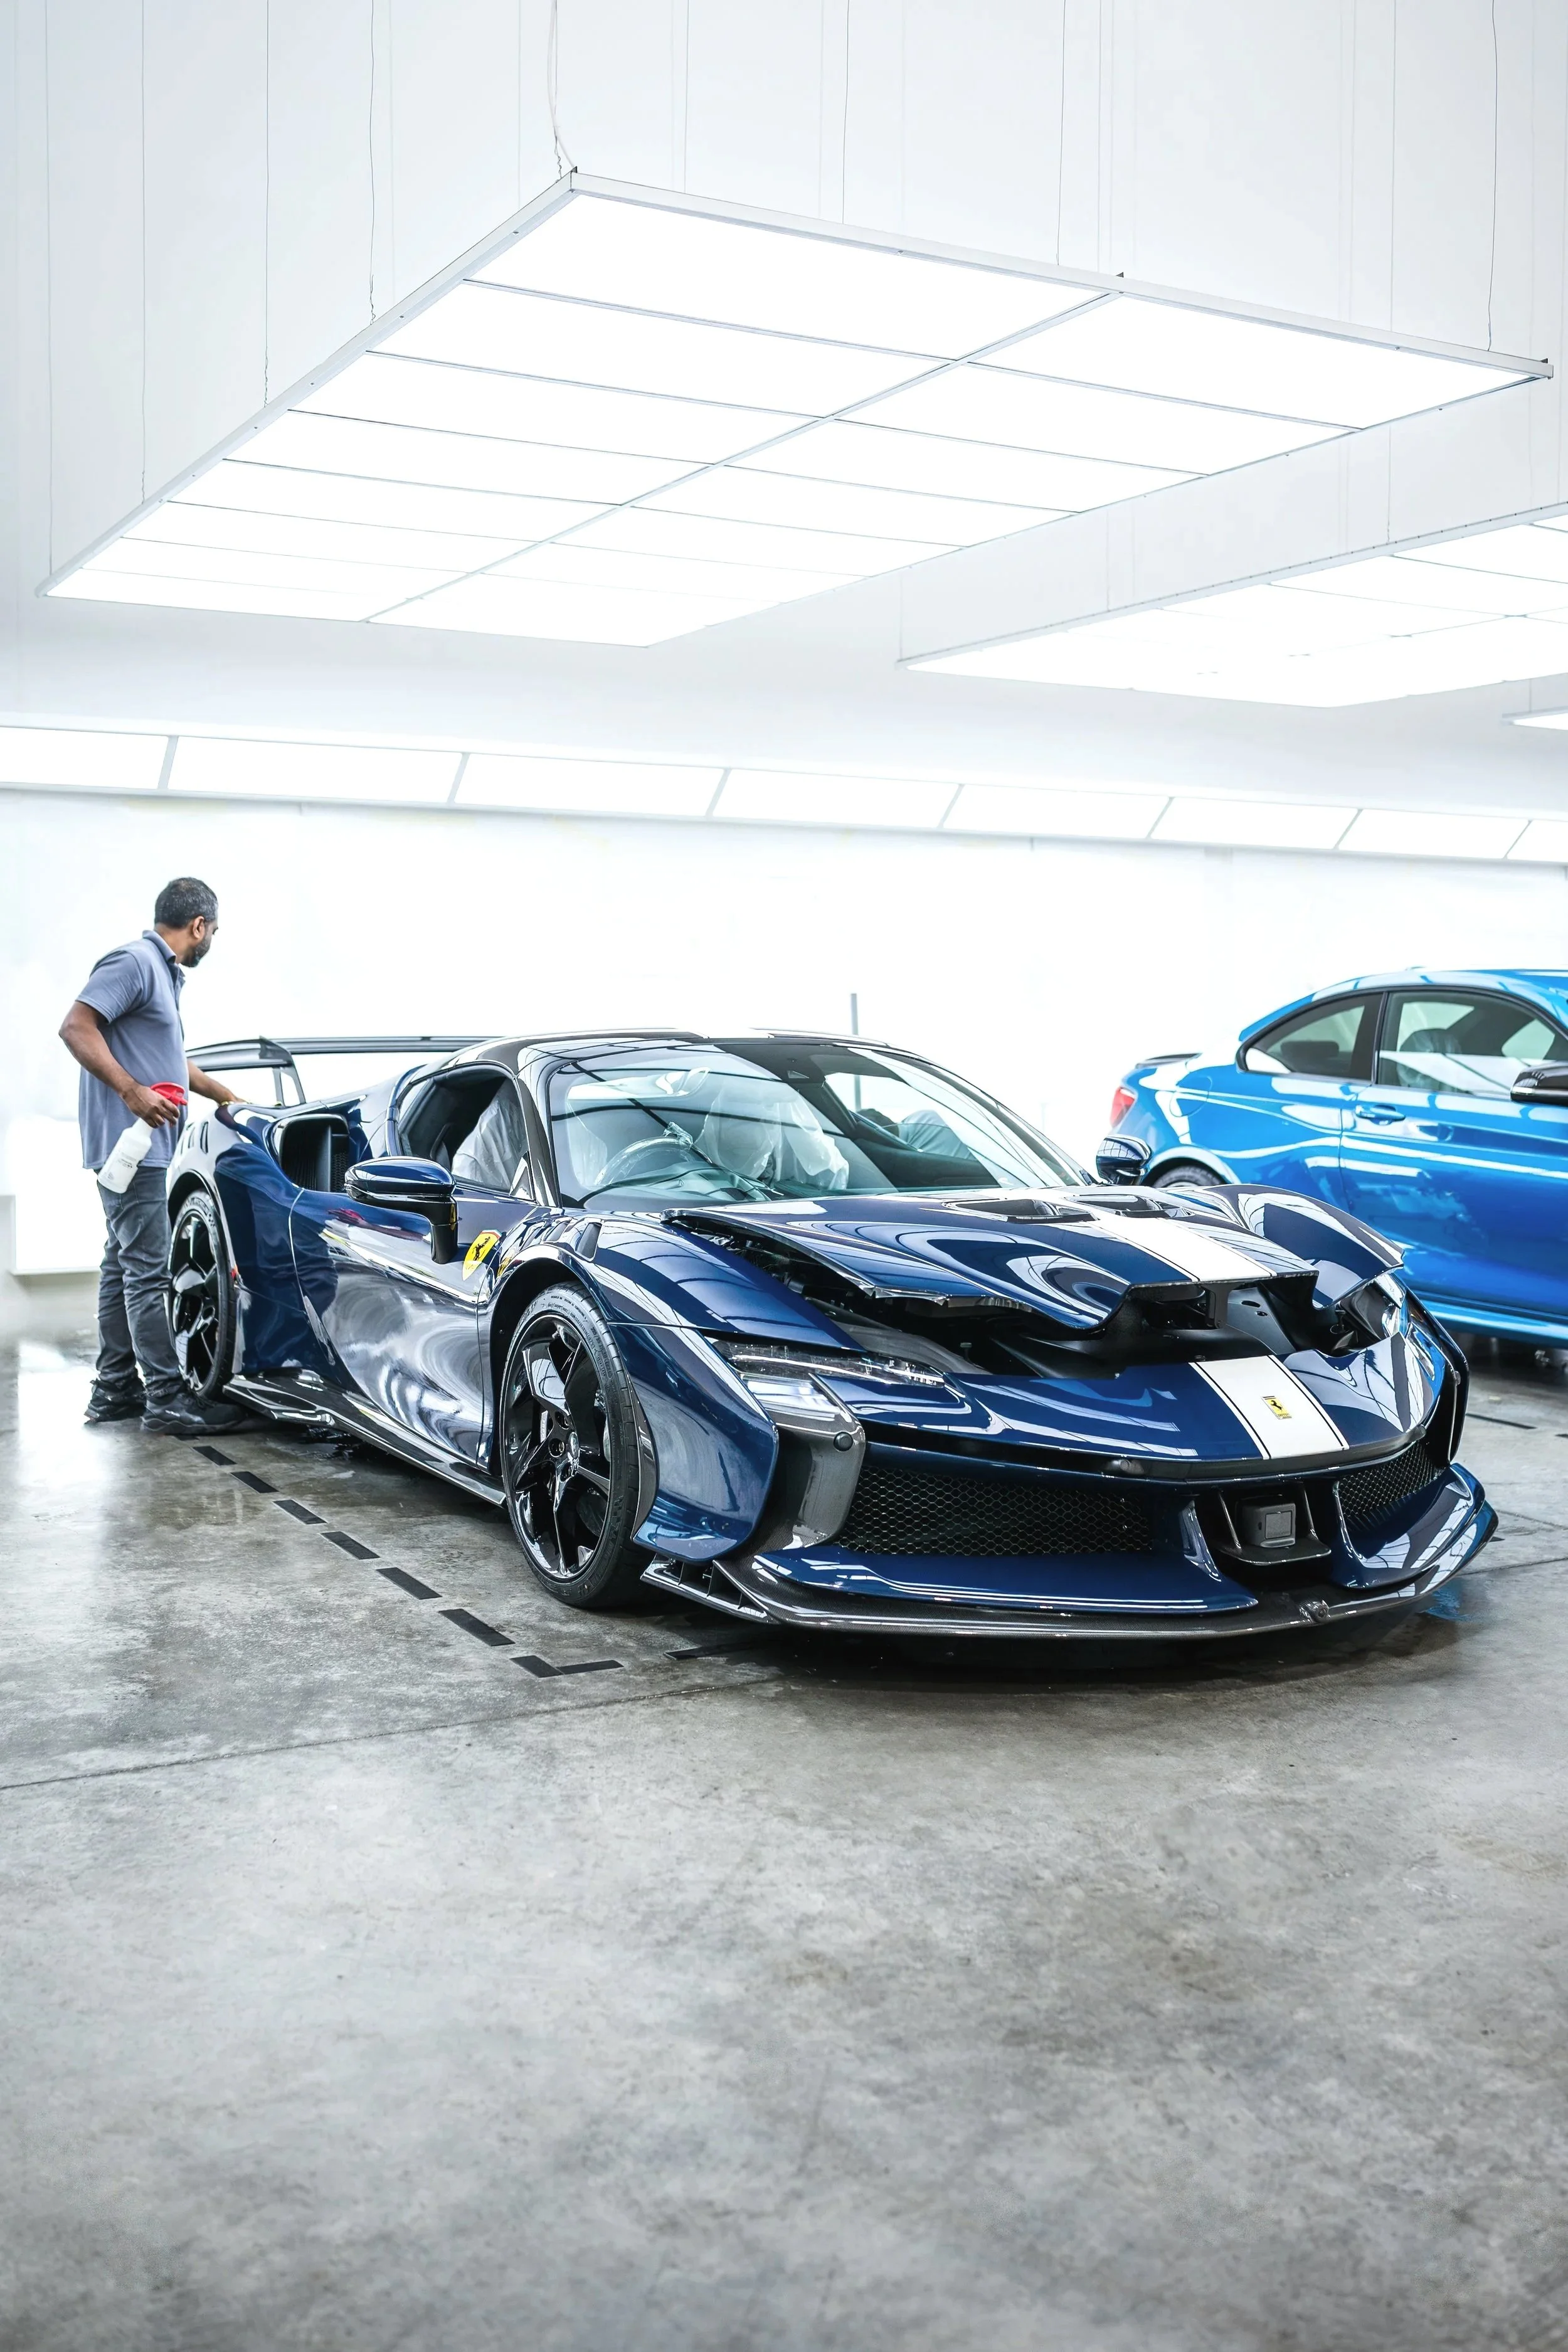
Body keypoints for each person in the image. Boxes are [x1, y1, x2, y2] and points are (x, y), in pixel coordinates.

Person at [60, 878, 248, 1435]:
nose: (211, 938)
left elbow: (167, 1058)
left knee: (120, 1266)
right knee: (146, 1273)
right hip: (131, 1146)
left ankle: (114, 1389)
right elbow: (76, 1026)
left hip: (140, 1146)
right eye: (213, 930)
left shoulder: (163, 977)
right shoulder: (136, 962)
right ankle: (167, 1398)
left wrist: (221, 1095)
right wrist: (130, 1091)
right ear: (198, 926)